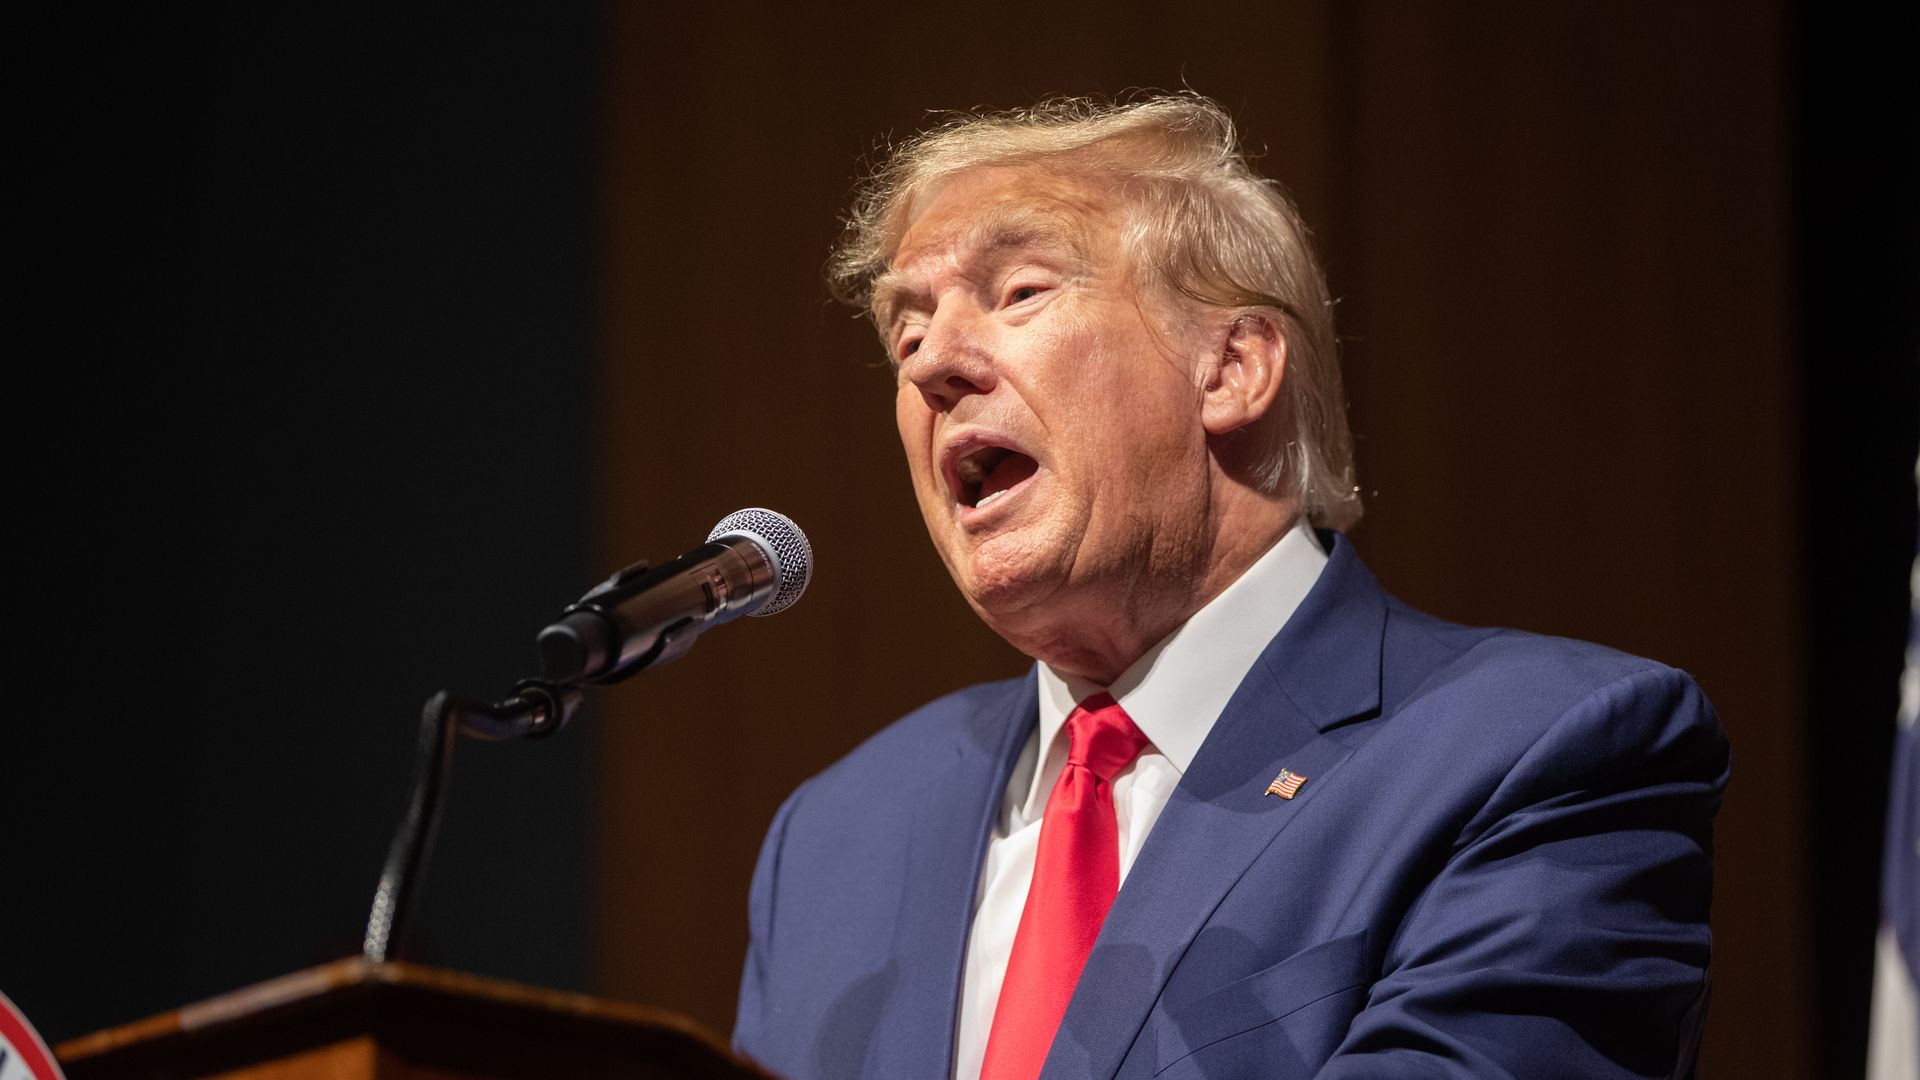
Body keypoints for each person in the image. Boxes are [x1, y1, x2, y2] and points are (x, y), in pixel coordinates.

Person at [732, 94, 1728, 1080]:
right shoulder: (839, 836)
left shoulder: (1539, 751)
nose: (934, 365)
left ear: (1233, 369)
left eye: (1020, 292)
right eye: (905, 338)